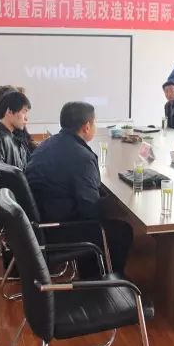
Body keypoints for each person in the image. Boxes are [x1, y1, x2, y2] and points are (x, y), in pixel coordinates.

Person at [26, 102, 133, 277]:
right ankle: (107, 282)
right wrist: (119, 204)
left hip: (39, 223)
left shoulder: (47, 144)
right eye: (95, 122)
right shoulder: (82, 157)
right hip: (58, 228)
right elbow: (90, 210)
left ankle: (91, 274)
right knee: (121, 231)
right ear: (86, 126)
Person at [0, 89, 34, 186]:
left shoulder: (10, 135)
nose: (26, 118)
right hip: (19, 192)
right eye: (24, 112)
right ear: (9, 112)